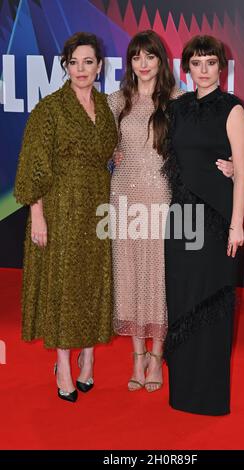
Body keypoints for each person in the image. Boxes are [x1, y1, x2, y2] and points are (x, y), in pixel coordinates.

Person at [107, 30, 234, 392]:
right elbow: (100, 145)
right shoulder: (117, 101)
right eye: (136, 57)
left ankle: (158, 354)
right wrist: (110, 156)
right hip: (124, 200)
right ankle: (136, 356)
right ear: (129, 63)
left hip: (164, 199)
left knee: (161, 277)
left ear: (162, 61)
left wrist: (238, 167)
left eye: (151, 57)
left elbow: (204, 141)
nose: (144, 64)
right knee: (129, 275)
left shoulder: (179, 100)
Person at [14, 32, 117, 402]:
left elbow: (114, 153)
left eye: (88, 62)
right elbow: (33, 165)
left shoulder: (106, 107)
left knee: (93, 281)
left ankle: (87, 357)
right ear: (65, 66)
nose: (81, 69)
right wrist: (37, 214)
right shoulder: (50, 109)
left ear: (99, 66)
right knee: (64, 285)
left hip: (98, 206)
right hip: (60, 206)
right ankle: (62, 363)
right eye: (74, 62)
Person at [162, 35, 244, 415]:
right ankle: (182, 390)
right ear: (187, 68)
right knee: (181, 301)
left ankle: (209, 395)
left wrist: (237, 225)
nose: (203, 70)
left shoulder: (233, 109)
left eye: (210, 63)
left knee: (210, 302)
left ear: (221, 67)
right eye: (196, 63)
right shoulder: (177, 108)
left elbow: (243, 172)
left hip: (215, 222)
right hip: (181, 218)